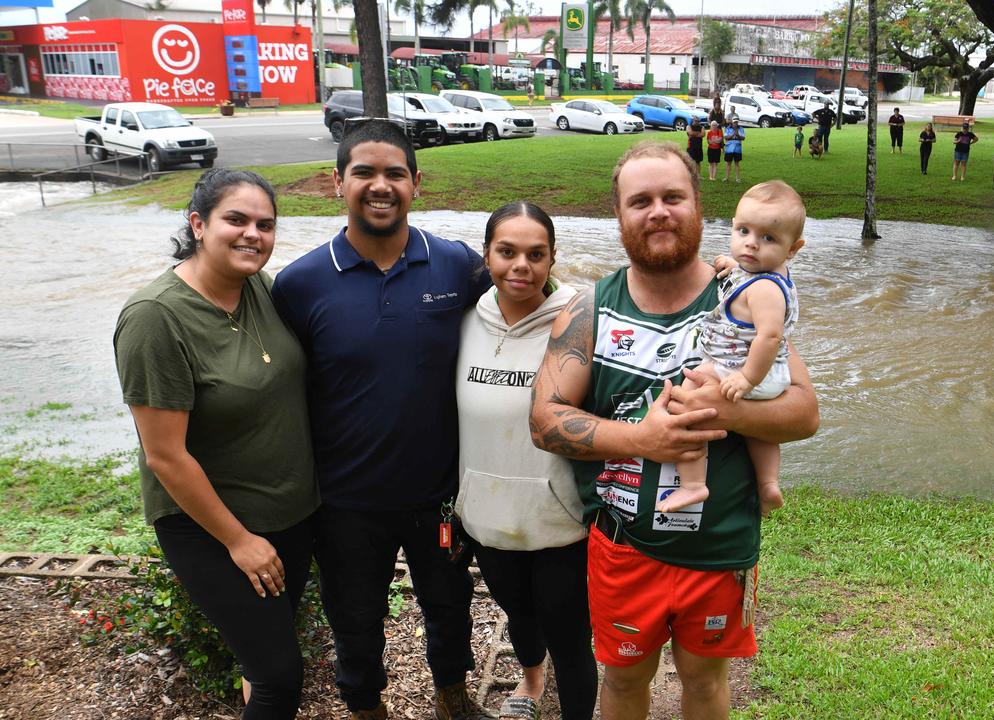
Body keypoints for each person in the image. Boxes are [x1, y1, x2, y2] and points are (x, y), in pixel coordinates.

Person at [528, 141, 820, 720]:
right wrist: (644, 440)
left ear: (699, 207)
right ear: (619, 217)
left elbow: (804, 412)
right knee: (624, 680)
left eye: (672, 197)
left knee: (706, 681)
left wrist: (726, 411)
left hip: (716, 543)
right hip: (623, 544)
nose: (658, 211)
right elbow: (544, 420)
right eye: (640, 201)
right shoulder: (590, 309)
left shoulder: (743, 295)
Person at [271, 119, 494, 720]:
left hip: (442, 493)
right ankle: (366, 708)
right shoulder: (299, 284)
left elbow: (533, 303)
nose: (380, 185)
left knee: (449, 603)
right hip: (345, 499)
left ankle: (453, 694)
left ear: (416, 183)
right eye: (364, 172)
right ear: (336, 182)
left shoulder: (457, 269)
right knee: (356, 616)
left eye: (394, 173)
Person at [114, 168, 320, 719]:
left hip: (287, 512)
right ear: (198, 224)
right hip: (212, 526)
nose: (253, 234)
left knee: (260, 660)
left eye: (266, 224)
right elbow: (165, 455)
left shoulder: (258, 287)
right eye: (236, 220)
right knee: (280, 677)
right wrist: (238, 541)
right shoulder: (155, 318)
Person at [456, 201, 596, 720]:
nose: (522, 266)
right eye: (507, 252)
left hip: (558, 521)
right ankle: (531, 679)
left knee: (570, 637)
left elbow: (649, 298)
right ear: (486, 255)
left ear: (553, 258)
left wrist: (729, 272)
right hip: (486, 516)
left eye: (536, 254)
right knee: (517, 611)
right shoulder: (465, 319)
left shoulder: (580, 319)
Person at [656, 180, 805, 516]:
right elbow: (754, 275)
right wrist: (735, 265)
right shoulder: (771, 274)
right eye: (743, 231)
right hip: (773, 375)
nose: (751, 245)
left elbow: (769, 336)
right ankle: (768, 484)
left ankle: (693, 485)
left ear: (793, 248)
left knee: (687, 403)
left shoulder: (764, 289)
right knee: (762, 432)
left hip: (745, 369)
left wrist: (746, 379)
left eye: (767, 238)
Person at [723, 117, 745, 183]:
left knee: (737, 163)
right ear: (732, 122)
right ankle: (727, 178)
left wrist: (737, 134)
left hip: (737, 148)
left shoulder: (741, 129)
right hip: (729, 148)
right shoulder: (728, 128)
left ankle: (738, 178)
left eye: (736, 122)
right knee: (728, 163)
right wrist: (733, 134)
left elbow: (743, 137)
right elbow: (726, 137)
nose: (736, 123)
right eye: (734, 122)